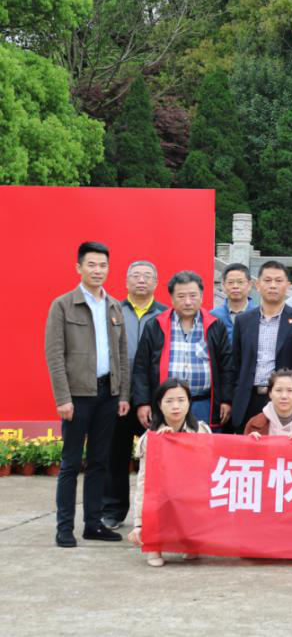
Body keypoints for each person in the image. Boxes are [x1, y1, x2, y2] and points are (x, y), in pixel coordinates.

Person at [45, 241, 131, 547]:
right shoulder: (63, 305)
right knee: (71, 463)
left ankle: (93, 524)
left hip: (109, 393)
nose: (98, 270)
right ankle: (64, 527)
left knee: (99, 462)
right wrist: (62, 398)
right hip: (78, 396)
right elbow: (55, 355)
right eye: (91, 265)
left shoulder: (114, 306)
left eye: (103, 265)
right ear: (78, 267)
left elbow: (122, 354)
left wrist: (123, 394)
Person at [102, 260, 166, 530]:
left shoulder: (165, 315)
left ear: (156, 283)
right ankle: (112, 510)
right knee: (115, 455)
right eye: (136, 276)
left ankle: (156, 512)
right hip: (118, 396)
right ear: (126, 281)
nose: (141, 280)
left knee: (159, 459)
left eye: (147, 276)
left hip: (154, 399)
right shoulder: (112, 311)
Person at [132, 271, 234, 431]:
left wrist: (226, 400)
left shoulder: (215, 325)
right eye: (181, 296)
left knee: (203, 444)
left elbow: (226, 366)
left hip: (204, 403)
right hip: (166, 405)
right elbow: (141, 367)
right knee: (166, 444)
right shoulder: (155, 325)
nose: (187, 302)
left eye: (193, 296)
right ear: (172, 298)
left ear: (201, 296)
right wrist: (142, 402)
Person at [127, 379, 212, 566]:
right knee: (158, 500)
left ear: (189, 402)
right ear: (159, 404)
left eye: (181, 400)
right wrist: (139, 524)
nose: (176, 406)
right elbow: (143, 483)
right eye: (169, 401)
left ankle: (191, 543)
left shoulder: (201, 431)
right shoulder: (151, 438)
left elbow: (210, 467)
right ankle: (154, 546)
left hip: (190, 494)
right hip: (162, 495)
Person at [231, 260, 292, 432]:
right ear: (257, 285)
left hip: (285, 400)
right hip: (249, 398)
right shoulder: (243, 320)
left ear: (288, 286)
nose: (273, 285)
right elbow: (236, 363)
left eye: (278, 280)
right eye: (267, 280)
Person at [245, 369, 292, 437]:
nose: (284, 396)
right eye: (278, 390)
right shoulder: (254, 424)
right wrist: (251, 443)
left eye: (290, 390)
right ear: (270, 394)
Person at [210, 263, 255, 343]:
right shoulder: (213, 315)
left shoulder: (259, 315)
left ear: (250, 285)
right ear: (223, 285)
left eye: (240, 282)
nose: (235, 286)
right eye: (230, 282)